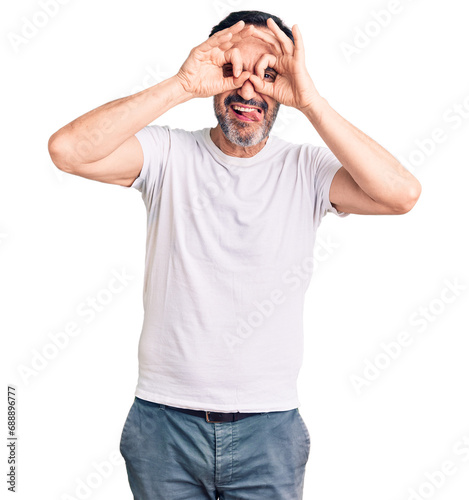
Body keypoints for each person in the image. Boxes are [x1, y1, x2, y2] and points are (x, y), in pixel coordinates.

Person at [48, 9, 421, 500]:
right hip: (164, 425)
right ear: (211, 74)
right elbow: (67, 150)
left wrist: (311, 101)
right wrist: (181, 84)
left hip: (269, 430)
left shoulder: (306, 168)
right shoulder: (167, 155)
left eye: (269, 75)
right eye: (232, 71)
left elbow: (402, 195)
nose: (248, 91)